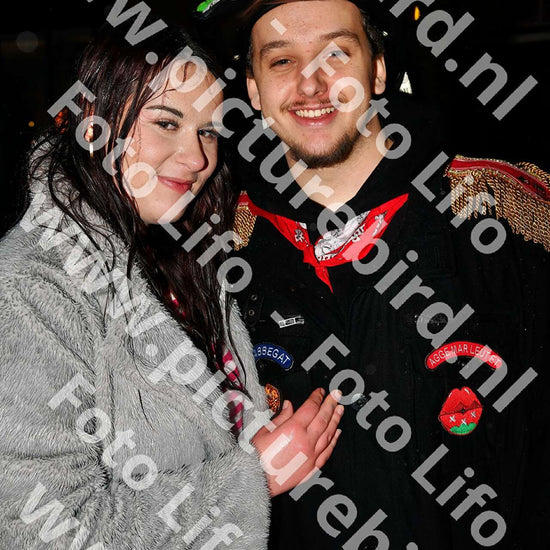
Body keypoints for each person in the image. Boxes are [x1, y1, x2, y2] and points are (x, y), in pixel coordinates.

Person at [197, 0, 550, 548]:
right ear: (254, 89)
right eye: (282, 61)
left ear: (378, 70)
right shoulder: (215, 256)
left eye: (336, 53)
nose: (311, 84)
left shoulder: (508, 217)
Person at [0, 22, 345, 549]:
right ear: (94, 122)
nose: (197, 158)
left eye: (208, 131)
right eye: (166, 122)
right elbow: (39, 529)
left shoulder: (180, 252)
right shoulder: (31, 288)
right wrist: (252, 479)